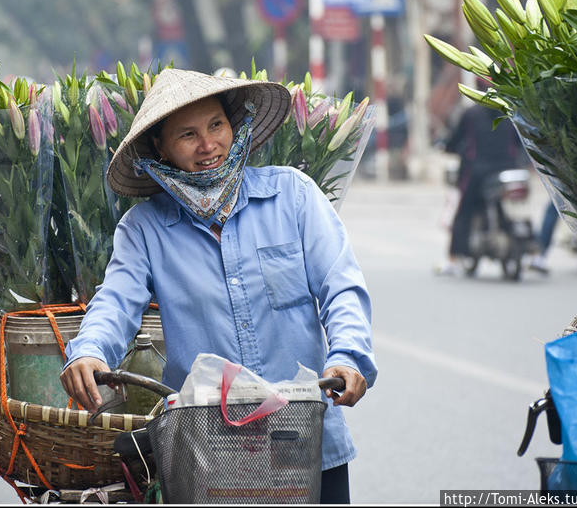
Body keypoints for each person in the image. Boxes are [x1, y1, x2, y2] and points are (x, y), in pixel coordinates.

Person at [59, 68, 377, 504]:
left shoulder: (293, 196)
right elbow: (115, 302)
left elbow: (341, 287)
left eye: (216, 125)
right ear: (161, 149)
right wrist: (90, 350)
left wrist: (348, 356)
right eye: (187, 134)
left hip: (303, 437)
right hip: (208, 452)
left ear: (233, 126)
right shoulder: (143, 229)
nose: (208, 145)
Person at [436, 100, 524, 275]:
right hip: (509, 169)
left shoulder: (471, 114)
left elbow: (455, 139)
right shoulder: (509, 113)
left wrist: (446, 146)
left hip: (477, 171)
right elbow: (520, 143)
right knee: (506, 210)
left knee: (464, 212)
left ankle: (453, 258)